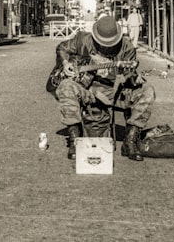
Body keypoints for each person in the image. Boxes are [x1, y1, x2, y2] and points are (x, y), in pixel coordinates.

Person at [54, 12, 155, 161]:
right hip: (87, 89)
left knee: (147, 91)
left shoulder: (127, 48)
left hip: (115, 92)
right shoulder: (82, 39)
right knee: (65, 86)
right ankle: (75, 140)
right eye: (102, 43)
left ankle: (130, 140)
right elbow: (61, 48)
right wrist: (65, 63)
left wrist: (127, 76)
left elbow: (131, 79)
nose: (106, 47)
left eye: (110, 44)